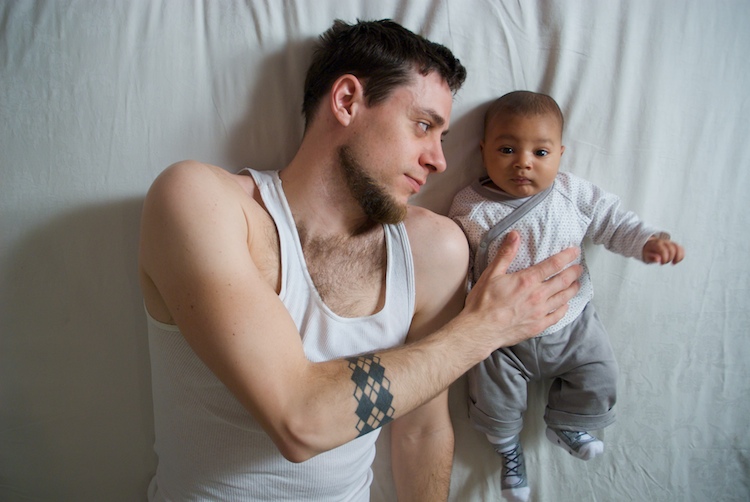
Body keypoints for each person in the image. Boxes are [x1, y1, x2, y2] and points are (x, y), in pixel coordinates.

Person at [139, 21, 582, 501]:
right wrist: (485, 329)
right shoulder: (201, 202)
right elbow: (298, 420)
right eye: (423, 126)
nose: (439, 159)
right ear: (347, 100)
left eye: (442, 135)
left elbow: (422, 434)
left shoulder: (435, 251)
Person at [449, 90, 685, 502]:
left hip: (571, 320)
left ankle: (568, 424)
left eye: (540, 152)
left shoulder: (571, 194)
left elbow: (613, 221)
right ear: (483, 150)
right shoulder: (469, 206)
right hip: (502, 336)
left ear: (560, 153)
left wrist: (647, 240)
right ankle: (507, 450)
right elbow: (455, 267)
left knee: (600, 371)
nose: (523, 161)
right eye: (507, 149)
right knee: (492, 394)